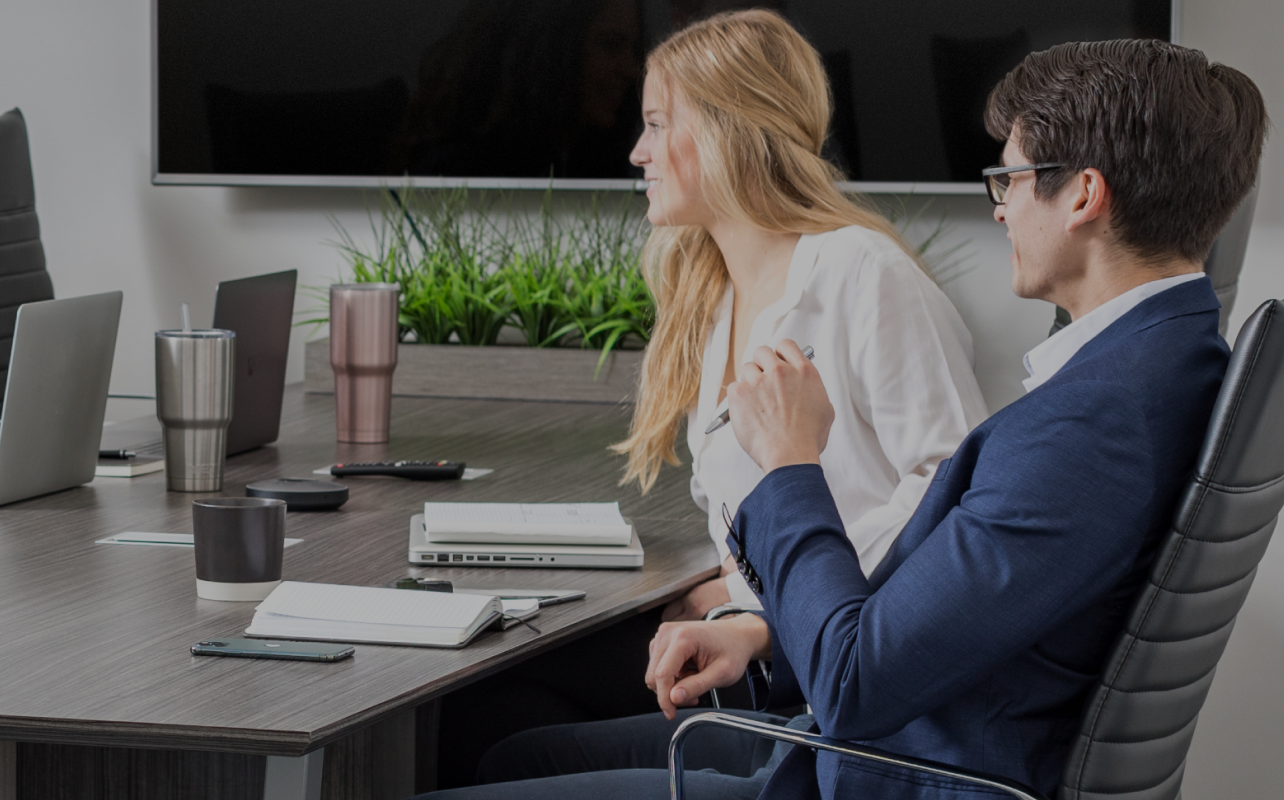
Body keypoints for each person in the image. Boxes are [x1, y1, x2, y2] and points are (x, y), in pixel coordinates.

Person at [416, 34, 1264, 800]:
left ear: (1081, 195)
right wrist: (769, 633)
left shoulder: (1089, 428)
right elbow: (938, 617)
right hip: (894, 732)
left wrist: (790, 463)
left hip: (886, 769)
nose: (998, 206)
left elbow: (858, 683)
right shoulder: (1160, 368)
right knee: (510, 757)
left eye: (1007, 178)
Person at [433, 10, 989, 784]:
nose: (638, 152)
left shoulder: (863, 273)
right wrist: (736, 591)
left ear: (732, 131)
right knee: (491, 703)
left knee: (499, 727)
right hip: (768, 644)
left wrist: (761, 612)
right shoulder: (711, 292)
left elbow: (950, 497)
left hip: (825, 666)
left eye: (659, 124)